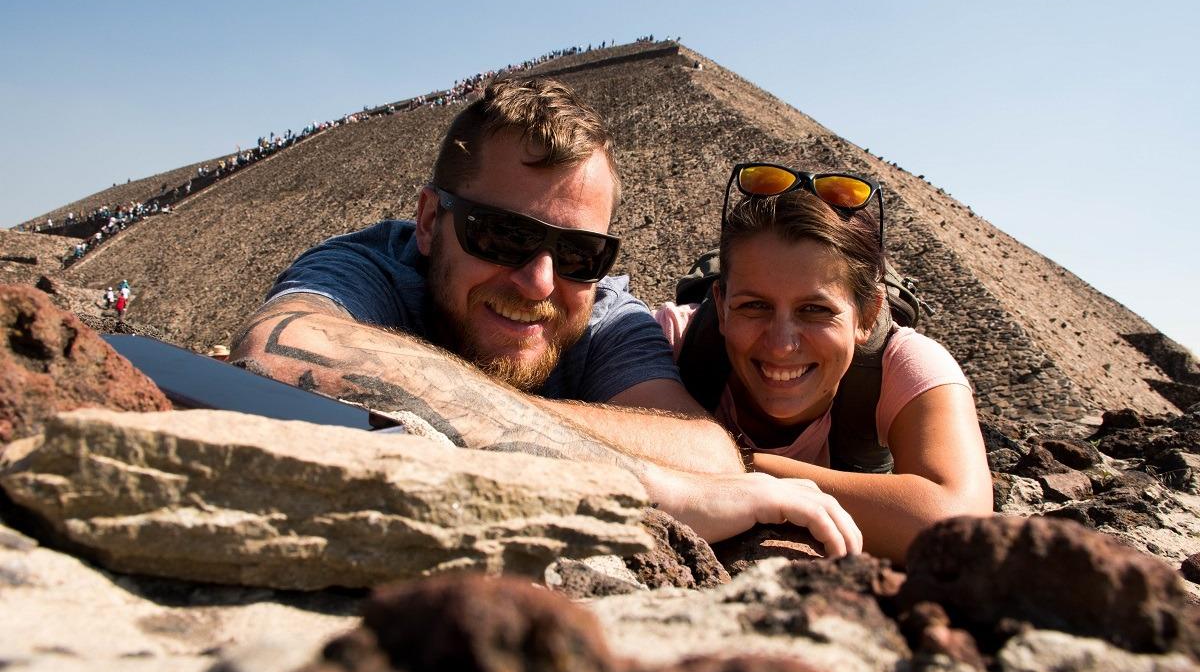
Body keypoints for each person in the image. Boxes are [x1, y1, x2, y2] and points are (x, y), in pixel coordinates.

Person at [231, 78, 860, 555]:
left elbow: (704, 455)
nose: (539, 282)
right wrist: (644, 481)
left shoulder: (602, 313)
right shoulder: (373, 267)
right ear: (428, 223)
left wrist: (448, 408)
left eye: (580, 254)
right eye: (501, 236)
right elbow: (279, 353)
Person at [655, 164, 992, 563]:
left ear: (867, 317)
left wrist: (742, 465)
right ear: (722, 308)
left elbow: (956, 525)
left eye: (815, 310)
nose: (781, 345)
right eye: (754, 306)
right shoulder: (671, 342)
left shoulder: (904, 364)